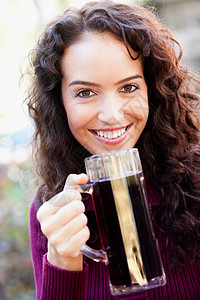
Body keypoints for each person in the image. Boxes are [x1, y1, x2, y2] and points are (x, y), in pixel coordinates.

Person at [26, 0, 200, 299]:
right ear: (60, 103)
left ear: (152, 89)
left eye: (128, 87)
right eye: (85, 92)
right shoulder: (51, 209)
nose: (112, 115)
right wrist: (62, 261)